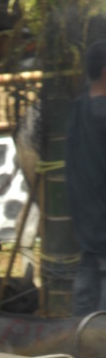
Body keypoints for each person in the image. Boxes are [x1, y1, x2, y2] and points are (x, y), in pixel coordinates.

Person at [66, 40, 106, 316]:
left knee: (89, 268)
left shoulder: (79, 108)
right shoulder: (101, 115)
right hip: (101, 208)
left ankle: (77, 331)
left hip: (85, 209)